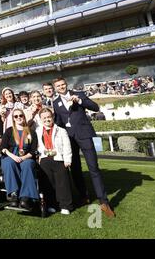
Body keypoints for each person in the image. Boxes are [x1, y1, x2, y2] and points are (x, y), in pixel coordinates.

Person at [52, 77, 115, 217]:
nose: (61, 87)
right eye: (58, 86)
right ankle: (83, 195)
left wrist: (80, 101)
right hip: (69, 139)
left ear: (66, 85)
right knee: (75, 169)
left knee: (93, 168)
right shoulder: (55, 103)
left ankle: (104, 202)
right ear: (55, 88)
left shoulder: (79, 94)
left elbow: (95, 107)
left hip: (85, 135)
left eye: (63, 84)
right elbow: (58, 121)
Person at [36, 108, 73, 215]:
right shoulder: (38, 131)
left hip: (59, 158)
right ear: (41, 119)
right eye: (44, 118)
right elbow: (37, 146)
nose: (47, 119)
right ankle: (52, 204)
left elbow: (67, 146)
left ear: (52, 117)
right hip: (44, 159)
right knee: (48, 183)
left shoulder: (61, 130)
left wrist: (67, 159)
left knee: (62, 183)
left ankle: (65, 205)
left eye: (49, 117)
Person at [0, 108, 38, 211]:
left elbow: (33, 150)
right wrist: (13, 156)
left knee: (28, 165)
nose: (18, 118)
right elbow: (3, 148)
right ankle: (14, 194)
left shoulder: (31, 132)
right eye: (16, 116)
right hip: (11, 156)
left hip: (26, 157)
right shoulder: (9, 131)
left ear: (24, 117)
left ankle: (25, 197)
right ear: (13, 119)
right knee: (8, 163)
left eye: (20, 115)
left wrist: (23, 157)